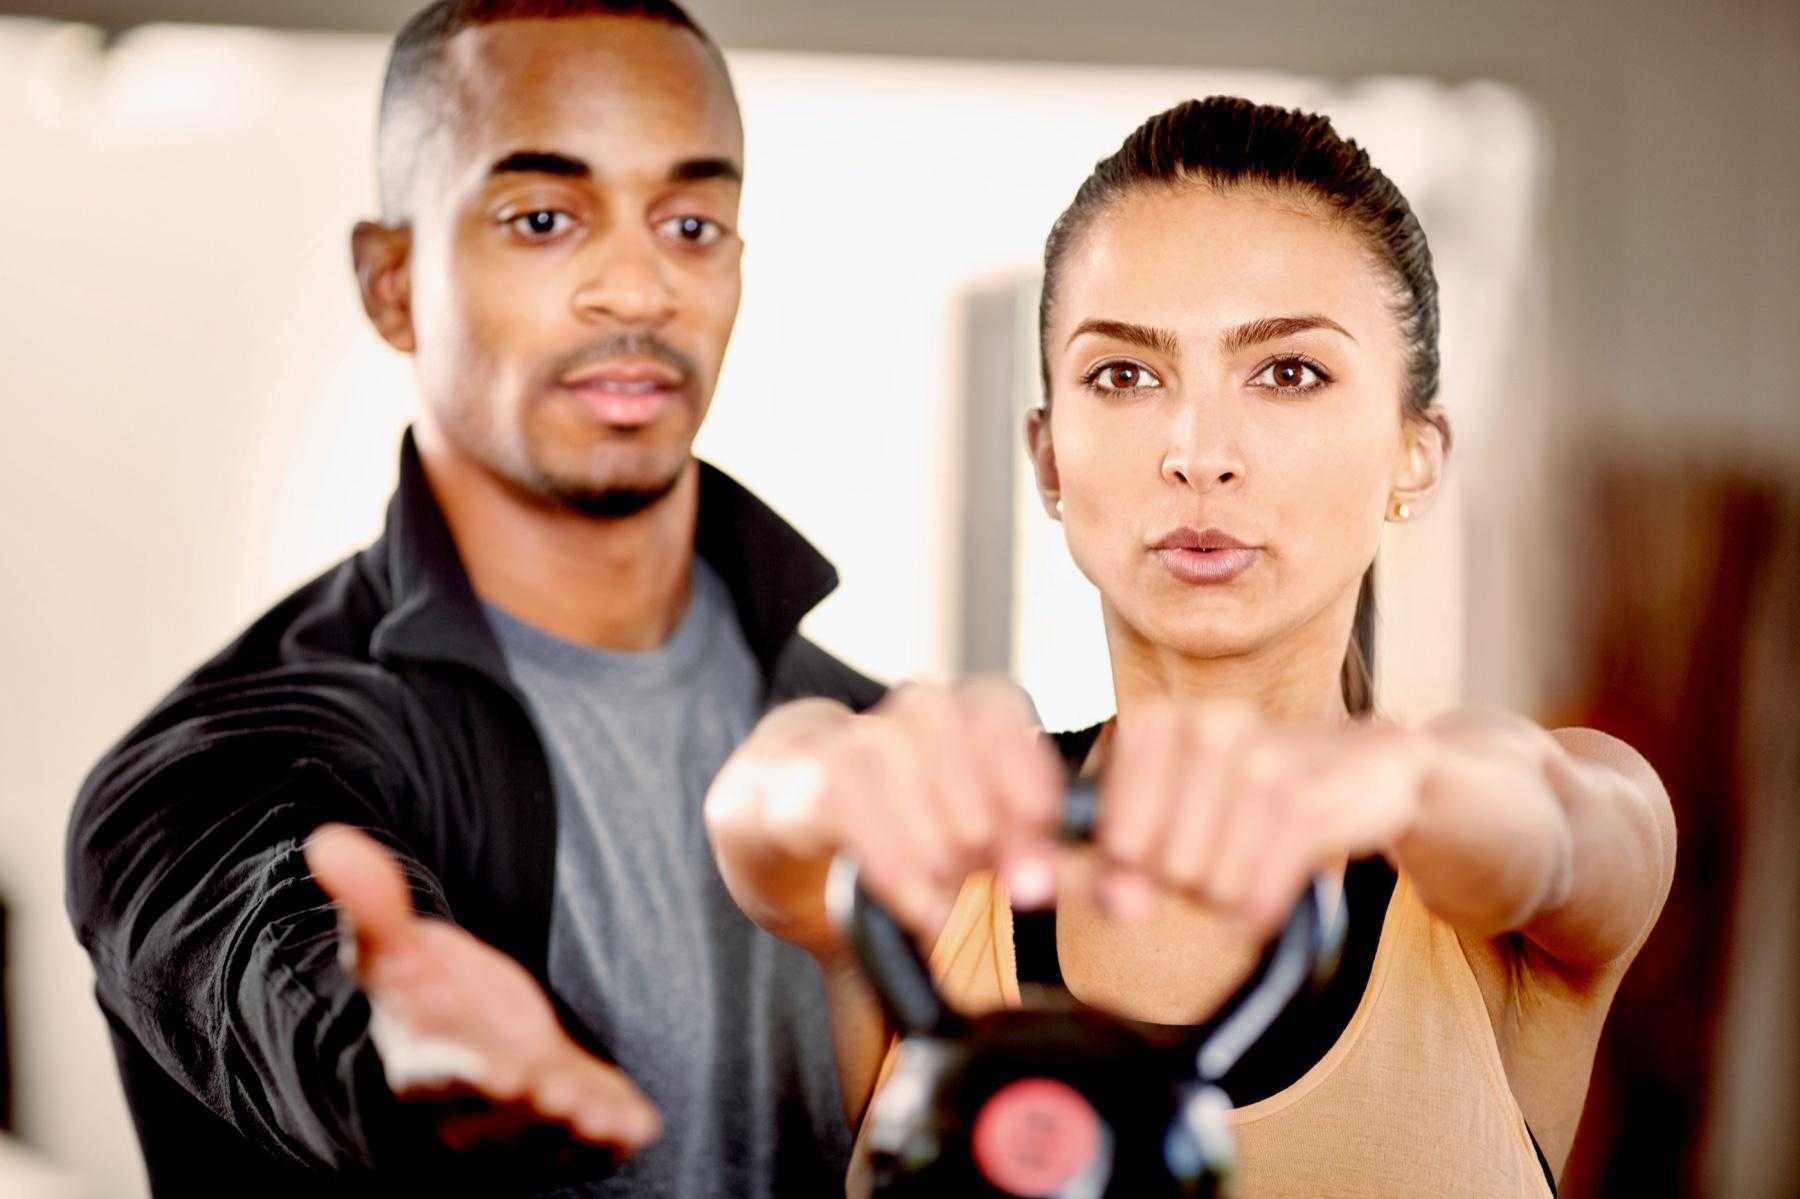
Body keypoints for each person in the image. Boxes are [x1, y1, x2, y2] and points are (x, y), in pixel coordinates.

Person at [706, 96, 1677, 1197]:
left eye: (1289, 372)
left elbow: (1562, 819)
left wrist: (1408, 782)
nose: (1198, 449)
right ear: (1049, 457)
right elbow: (762, 812)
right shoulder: (935, 867)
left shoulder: (1505, 886)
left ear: (1417, 451)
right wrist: (827, 766)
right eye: (1124, 374)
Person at [64, 2, 882, 1195]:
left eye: (691, 222)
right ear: (391, 283)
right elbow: (253, 925)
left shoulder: (869, 737)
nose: (637, 286)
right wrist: (391, 1043)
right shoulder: (219, 759)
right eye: (544, 219)